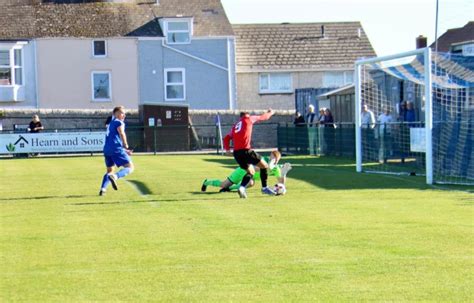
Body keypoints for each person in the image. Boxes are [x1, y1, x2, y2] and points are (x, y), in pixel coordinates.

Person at [223, 109, 276, 198]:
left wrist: (227, 150)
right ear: (247, 115)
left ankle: (242, 188)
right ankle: (264, 188)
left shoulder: (235, 126)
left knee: (251, 171)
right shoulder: (249, 119)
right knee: (265, 166)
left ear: (240, 117)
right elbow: (264, 117)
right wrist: (271, 112)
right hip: (246, 151)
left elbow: (226, 138)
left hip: (237, 154)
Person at [201, 150, 292, 192]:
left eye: (275, 158)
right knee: (223, 184)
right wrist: (268, 167)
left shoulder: (276, 169)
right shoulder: (263, 160)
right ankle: (206, 182)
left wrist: (284, 174)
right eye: (272, 157)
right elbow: (254, 169)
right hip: (242, 171)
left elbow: (281, 183)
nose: (273, 159)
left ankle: (229, 189)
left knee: (251, 183)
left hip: (249, 177)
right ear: (270, 156)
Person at [99, 106, 134, 196]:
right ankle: (115, 176)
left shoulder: (110, 123)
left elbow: (112, 140)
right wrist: (125, 144)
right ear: (116, 113)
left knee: (110, 170)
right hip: (115, 149)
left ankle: (103, 189)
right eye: (122, 113)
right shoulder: (119, 122)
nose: (124, 115)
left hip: (107, 150)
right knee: (130, 167)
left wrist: (125, 150)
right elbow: (121, 133)